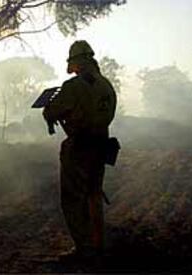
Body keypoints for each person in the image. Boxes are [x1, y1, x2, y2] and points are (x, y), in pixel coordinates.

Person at [43, 40, 117, 257]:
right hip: (101, 144)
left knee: (74, 198)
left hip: (79, 148)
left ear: (77, 61)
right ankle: (98, 243)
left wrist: (49, 111)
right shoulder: (106, 85)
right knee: (94, 194)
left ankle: (84, 248)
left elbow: (53, 112)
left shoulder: (73, 86)